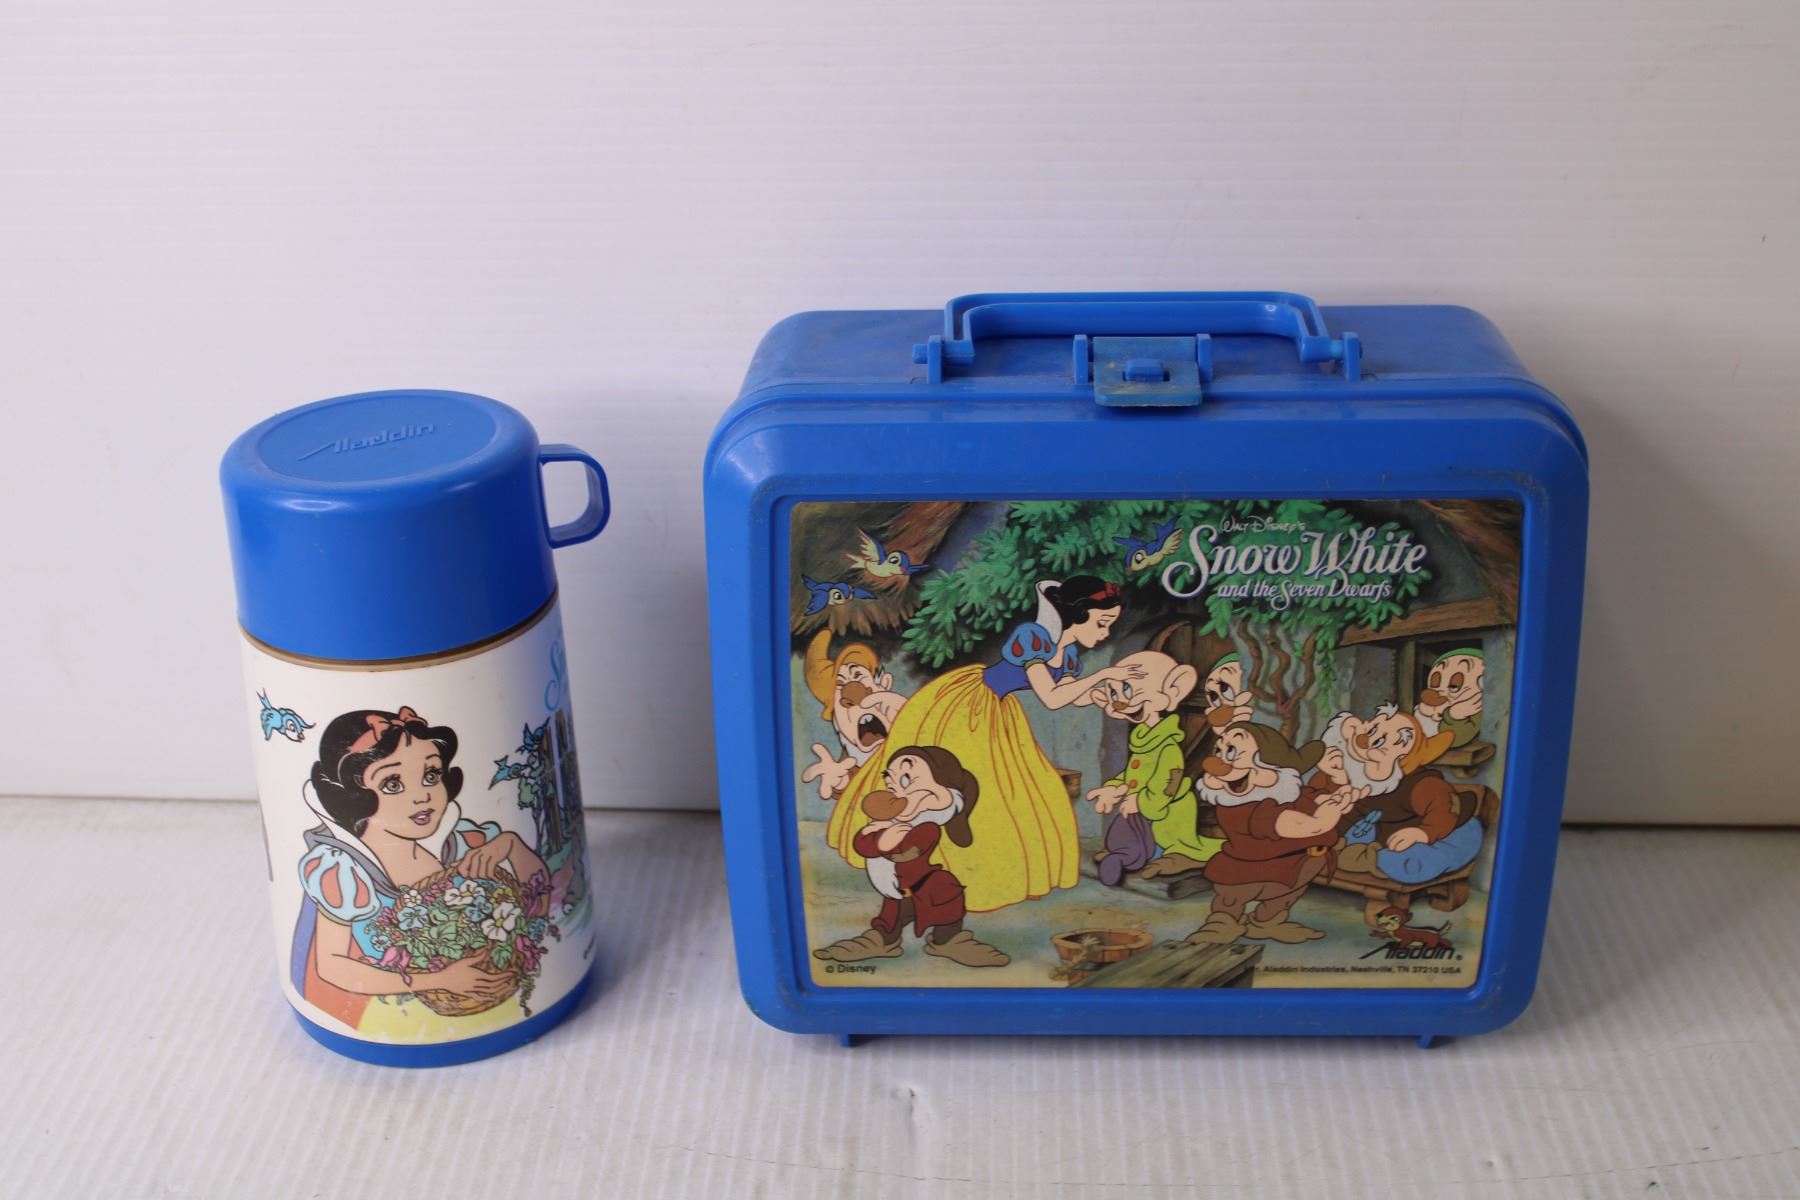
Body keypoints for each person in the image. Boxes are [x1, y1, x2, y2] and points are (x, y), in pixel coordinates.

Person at [825, 576, 1143, 912]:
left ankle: (984, 867)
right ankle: (913, 854)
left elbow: (1070, 696)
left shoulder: (1068, 656)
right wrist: (1102, 677)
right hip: (968, 706)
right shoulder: (1033, 637)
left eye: (1110, 624)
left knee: (1011, 792)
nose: (1105, 632)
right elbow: (1050, 697)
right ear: (1077, 615)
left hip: (999, 712)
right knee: (950, 779)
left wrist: (1104, 698)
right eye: (1102, 622)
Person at [292, 706, 547, 1032]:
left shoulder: (462, 843)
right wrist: (440, 979)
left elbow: (540, 900)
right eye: (392, 783)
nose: (422, 796)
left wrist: (511, 845)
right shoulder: (347, 872)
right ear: (354, 797)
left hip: (514, 997)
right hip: (397, 1020)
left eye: (431, 775)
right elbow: (331, 966)